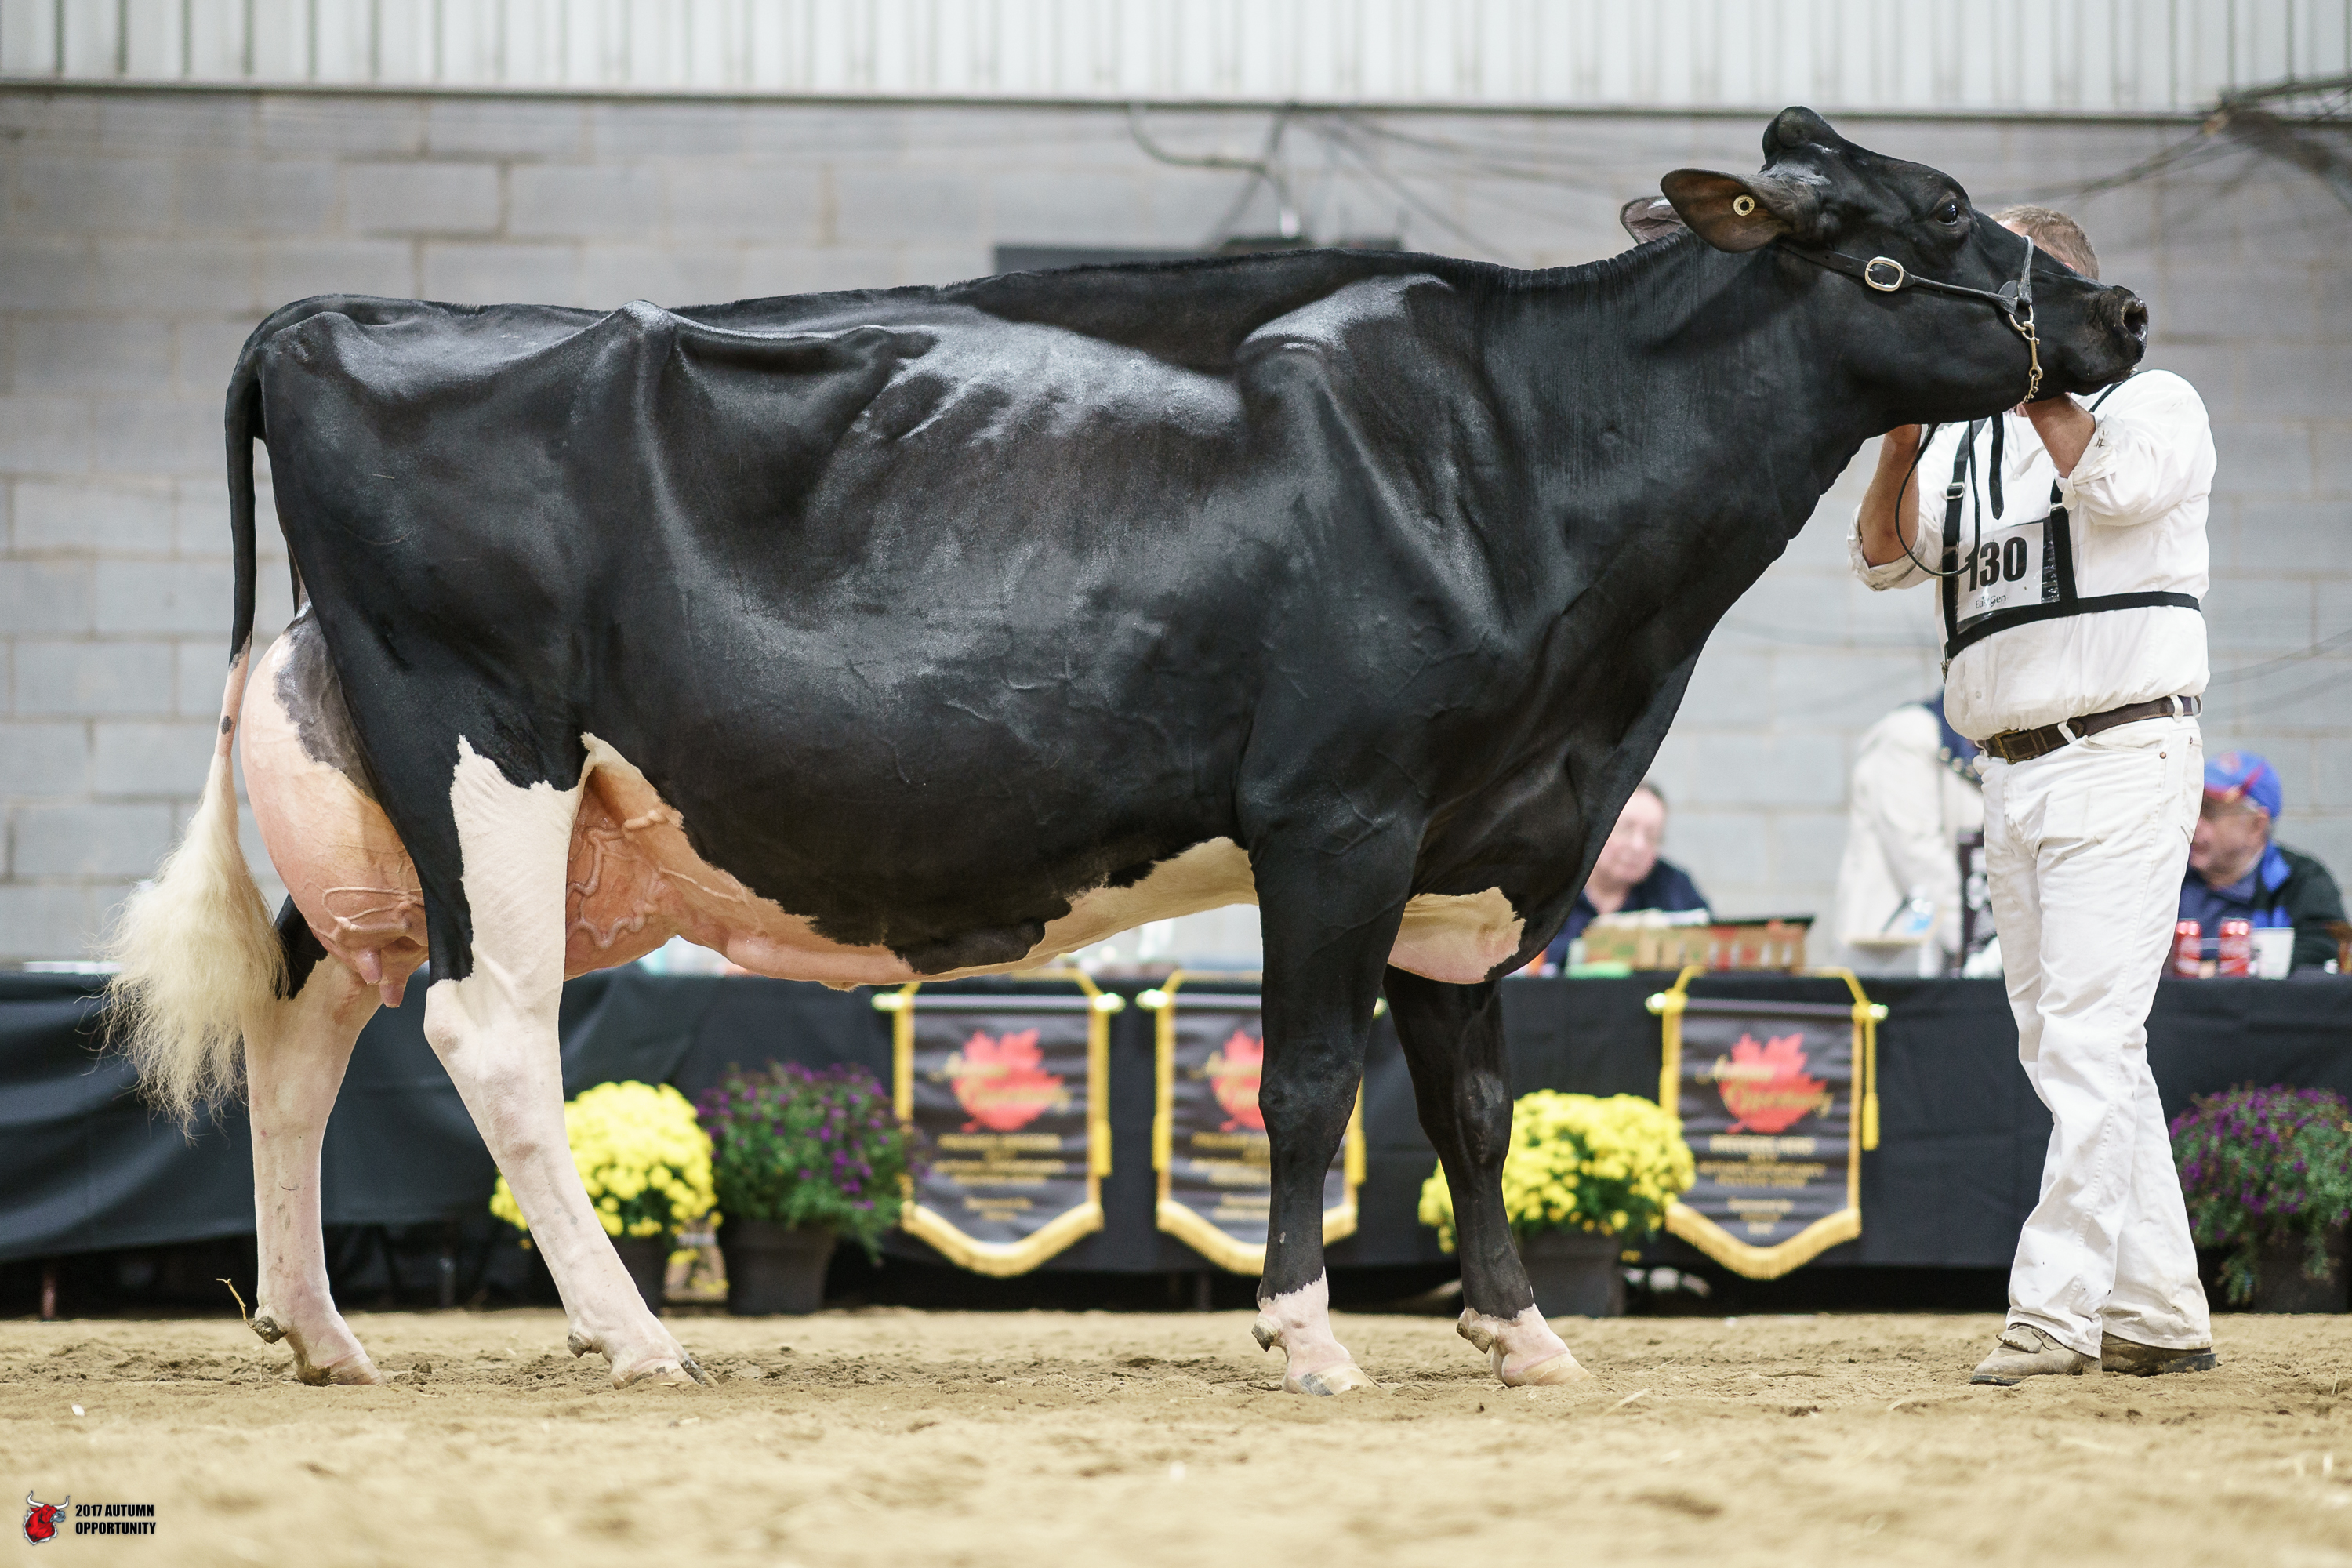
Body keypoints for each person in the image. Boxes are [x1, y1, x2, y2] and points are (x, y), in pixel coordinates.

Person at [1851, 205, 2219, 1384]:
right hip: (2005, 772)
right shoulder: (1961, 440)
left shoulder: (2155, 402)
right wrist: (1902, 438)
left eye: (1998, 286)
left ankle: (2054, 1311)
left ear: (2053, 293)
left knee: (2089, 1041)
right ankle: (2161, 1313)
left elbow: (2117, 493)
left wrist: (2037, 372)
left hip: (2122, 749)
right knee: (2071, 1044)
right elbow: (1882, 558)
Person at [1833, 690, 1984, 978]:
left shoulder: (1989, 745)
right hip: (1895, 957)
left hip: (1959, 952)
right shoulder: (1908, 735)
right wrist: (1980, 941)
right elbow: (1917, 855)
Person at [2180, 750, 2346, 973]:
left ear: (2256, 826)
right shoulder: (2167, 874)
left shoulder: (2300, 880)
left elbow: (2325, 948)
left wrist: (2219, 971)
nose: (2194, 824)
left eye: (2209, 811)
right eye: (2192, 808)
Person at [1539, 781, 1708, 970]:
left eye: (1651, 836)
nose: (1638, 846)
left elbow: (1708, 948)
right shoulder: (1547, 884)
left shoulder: (1675, 888)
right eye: (1626, 828)